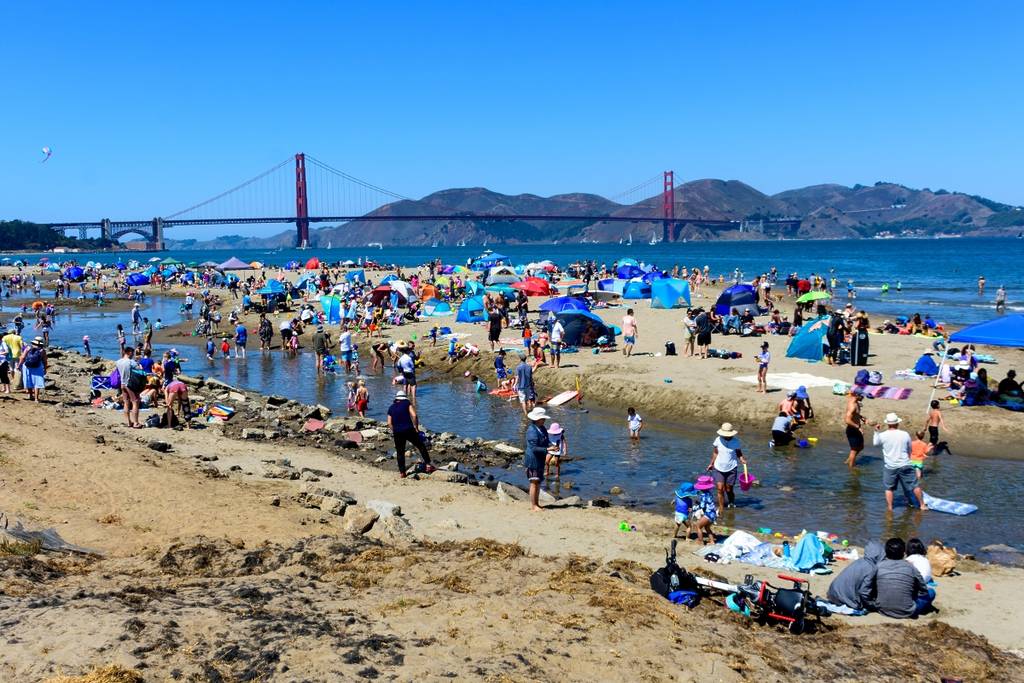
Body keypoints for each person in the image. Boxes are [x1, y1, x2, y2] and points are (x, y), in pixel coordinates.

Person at [873, 413, 926, 512]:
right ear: (897, 423)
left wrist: (876, 431)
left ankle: (890, 508)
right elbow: (910, 449)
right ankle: (922, 505)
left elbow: (875, 443)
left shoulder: (883, 435)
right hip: (905, 464)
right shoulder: (905, 434)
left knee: (889, 488)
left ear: (888, 424)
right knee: (915, 485)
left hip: (890, 466)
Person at [873, 537, 934, 618]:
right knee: (931, 592)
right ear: (903, 553)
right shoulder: (911, 567)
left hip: (882, 609)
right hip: (907, 611)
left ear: (886, 552)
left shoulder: (878, 566)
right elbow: (923, 590)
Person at [386, 390, 434, 477]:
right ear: (404, 397)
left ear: (396, 398)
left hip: (397, 432)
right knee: (420, 445)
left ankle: (402, 472)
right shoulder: (407, 403)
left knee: (400, 452)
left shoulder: (391, 407)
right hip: (408, 429)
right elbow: (414, 415)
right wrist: (416, 427)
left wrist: (395, 430)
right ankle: (428, 465)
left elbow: (389, 423)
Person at [826, 540, 884, 612]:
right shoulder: (872, 568)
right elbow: (864, 592)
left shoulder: (860, 561)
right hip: (841, 599)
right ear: (879, 555)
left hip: (832, 593)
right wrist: (872, 604)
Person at [706, 423, 747, 512]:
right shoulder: (718, 440)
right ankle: (721, 508)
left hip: (731, 468)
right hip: (718, 467)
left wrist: (742, 459)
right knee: (720, 488)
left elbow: (738, 452)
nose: (726, 437)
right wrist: (711, 464)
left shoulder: (736, 441)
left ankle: (731, 502)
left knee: (729, 489)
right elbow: (715, 453)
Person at [524, 407, 551, 511]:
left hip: (540, 459)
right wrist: (548, 449)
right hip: (533, 460)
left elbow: (546, 441)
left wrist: (551, 446)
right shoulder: (532, 430)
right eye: (543, 418)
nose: (544, 420)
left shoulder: (542, 428)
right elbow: (533, 448)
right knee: (534, 482)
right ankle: (533, 505)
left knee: (538, 482)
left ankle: (537, 504)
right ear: (537, 419)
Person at [115, 347, 141, 428]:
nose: (133, 355)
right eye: (132, 353)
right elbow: (139, 369)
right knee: (135, 402)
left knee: (126, 403)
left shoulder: (118, 362)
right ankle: (136, 422)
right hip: (130, 384)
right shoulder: (131, 362)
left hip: (122, 384)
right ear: (129, 352)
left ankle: (128, 422)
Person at [691, 475, 718, 545]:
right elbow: (707, 503)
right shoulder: (709, 493)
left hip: (708, 514)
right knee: (707, 527)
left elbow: (702, 506)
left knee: (698, 526)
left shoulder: (703, 495)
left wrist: (693, 509)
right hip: (713, 513)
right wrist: (699, 503)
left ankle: (700, 541)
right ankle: (712, 541)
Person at [844, 393, 866, 467]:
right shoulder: (852, 405)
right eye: (862, 395)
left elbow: (855, 414)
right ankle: (851, 469)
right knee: (854, 450)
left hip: (856, 429)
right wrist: (858, 427)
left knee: (861, 447)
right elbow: (847, 420)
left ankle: (849, 460)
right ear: (857, 395)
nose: (863, 397)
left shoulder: (856, 403)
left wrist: (861, 417)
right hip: (852, 430)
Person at [514, 351, 535, 416]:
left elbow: (517, 377)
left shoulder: (518, 367)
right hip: (528, 386)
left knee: (523, 401)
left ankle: (526, 414)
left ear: (520, 359)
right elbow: (531, 377)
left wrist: (514, 385)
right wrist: (532, 383)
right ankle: (531, 411)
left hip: (521, 387)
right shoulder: (529, 367)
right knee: (528, 399)